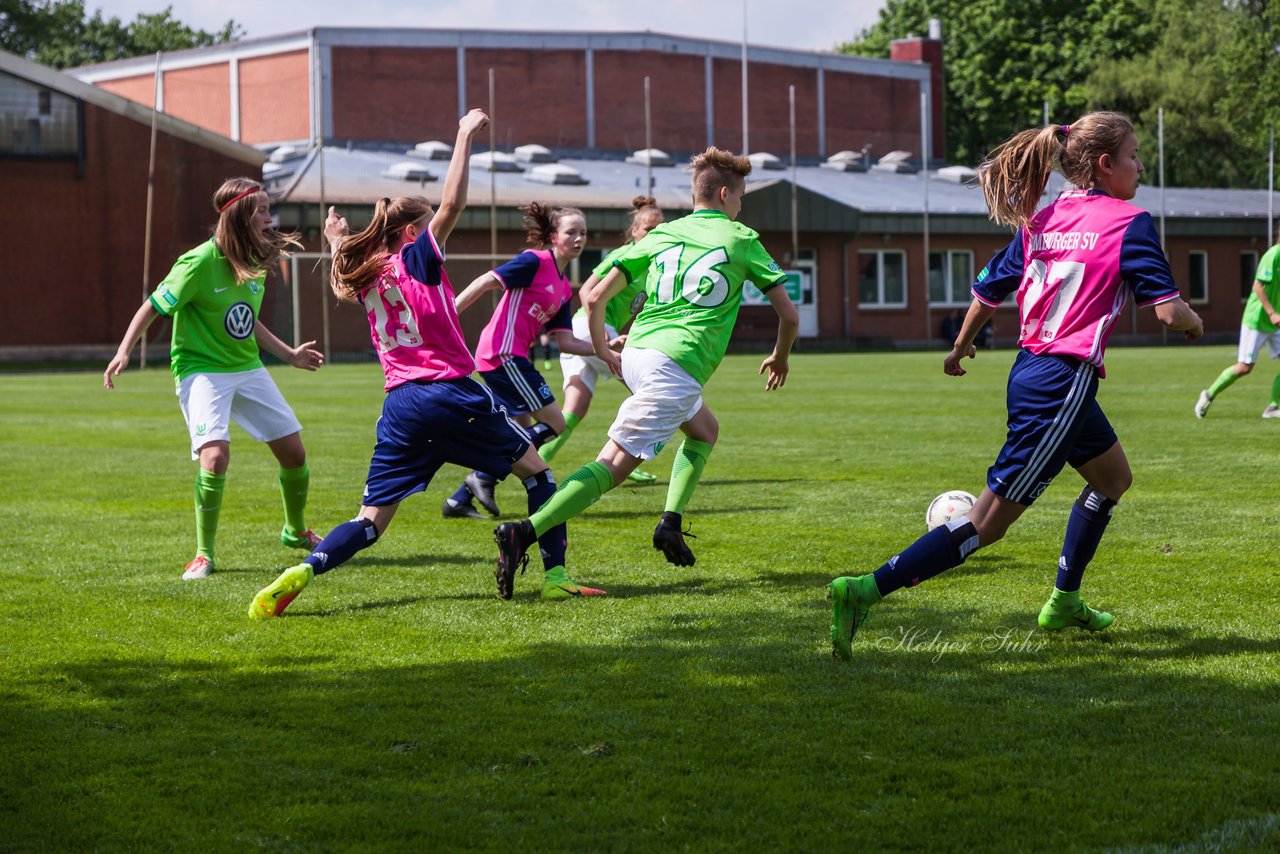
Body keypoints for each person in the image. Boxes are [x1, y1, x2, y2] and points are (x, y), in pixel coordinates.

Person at [828, 112, 1204, 661]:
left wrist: (959, 344)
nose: (1140, 165)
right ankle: (863, 590)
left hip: (1033, 373)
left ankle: (1064, 601)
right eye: (1133, 155)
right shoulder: (1130, 222)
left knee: (1113, 478)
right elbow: (1169, 313)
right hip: (1061, 383)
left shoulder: (1043, 219)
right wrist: (1195, 323)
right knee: (985, 525)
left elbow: (987, 288)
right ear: (1104, 165)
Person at [248, 110, 603, 618]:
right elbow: (454, 201)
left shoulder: (367, 273)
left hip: (402, 406)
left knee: (369, 522)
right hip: (450, 392)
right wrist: (462, 135)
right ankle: (555, 579)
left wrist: (333, 241)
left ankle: (305, 571)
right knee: (539, 475)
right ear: (413, 231)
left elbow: (341, 277)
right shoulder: (417, 259)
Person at [489, 147, 799, 590]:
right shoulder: (740, 238)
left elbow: (592, 296)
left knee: (705, 430)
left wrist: (603, 348)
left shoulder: (660, 235)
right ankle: (524, 532)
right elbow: (789, 317)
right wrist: (780, 355)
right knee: (613, 464)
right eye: (741, 196)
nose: (741, 205)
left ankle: (669, 522)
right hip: (675, 364)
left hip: (637, 354)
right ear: (726, 193)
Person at [104, 177, 324, 580]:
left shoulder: (251, 261)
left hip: (246, 367)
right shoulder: (197, 263)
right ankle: (204, 555)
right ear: (240, 215)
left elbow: (248, 322)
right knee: (216, 456)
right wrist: (124, 351)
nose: (268, 217)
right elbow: (152, 306)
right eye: (260, 210)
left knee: (294, 453)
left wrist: (289, 355)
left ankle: (294, 532)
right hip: (201, 370)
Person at [441, 202, 598, 519]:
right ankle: (482, 476)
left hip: (511, 357)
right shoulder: (534, 262)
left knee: (520, 430)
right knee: (555, 423)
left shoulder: (565, 287)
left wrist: (605, 348)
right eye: (571, 232)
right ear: (554, 236)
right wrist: (448, 314)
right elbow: (486, 281)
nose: (579, 238)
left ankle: (458, 501)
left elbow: (565, 340)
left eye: (583, 232)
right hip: (503, 354)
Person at [537, 195, 665, 483]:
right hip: (588, 329)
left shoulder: (654, 266)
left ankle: (537, 462)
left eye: (660, 230)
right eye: (648, 230)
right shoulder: (625, 255)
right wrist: (603, 336)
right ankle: (624, 460)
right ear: (634, 232)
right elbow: (587, 293)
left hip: (586, 331)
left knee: (575, 409)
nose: (654, 235)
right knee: (652, 393)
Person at [1194, 231, 1280, 418]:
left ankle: (1272, 407)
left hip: (1275, 323)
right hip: (1257, 320)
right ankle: (1209, 394)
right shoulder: (1274, 255)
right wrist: (1272, 313)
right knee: (1244, 367)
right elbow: (1258, 286)